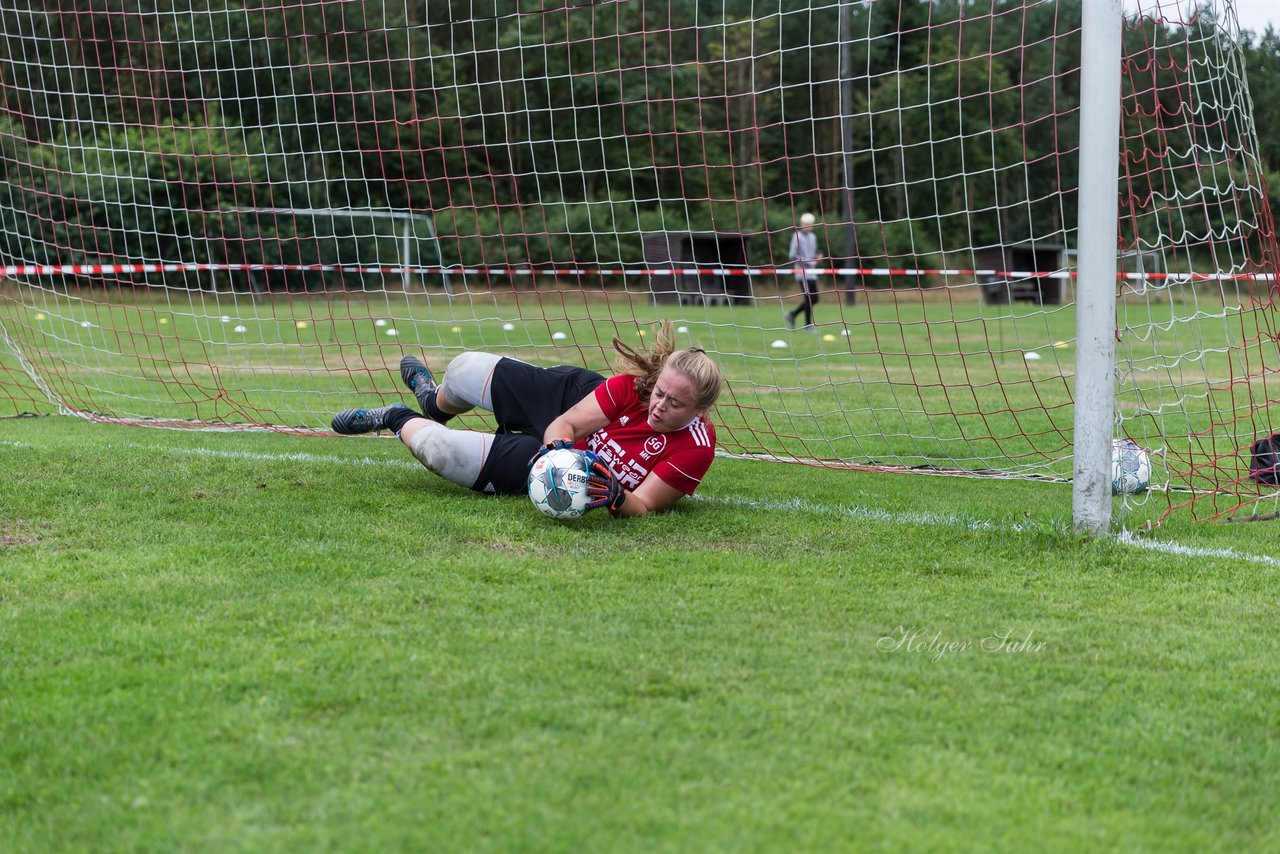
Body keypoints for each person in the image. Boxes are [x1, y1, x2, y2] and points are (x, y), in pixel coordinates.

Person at [329, 324, 722, 517]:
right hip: (567, 405)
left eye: (674, 404)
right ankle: (434, 404)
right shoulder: (631, 388)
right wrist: (558, 451)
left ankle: (396, 416)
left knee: (438, 450)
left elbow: (646, 504)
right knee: (464, 369)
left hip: (551, 466)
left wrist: (615, 495)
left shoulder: (696, 448)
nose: (658, 406)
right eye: (659, 393)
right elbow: (565, 424)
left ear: (698, 412)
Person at [785, 212, 823, 330]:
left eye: (810, 224)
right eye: (806, 224)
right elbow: (792, 255)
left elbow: (811, 255)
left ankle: (792, 314)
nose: (808, 226)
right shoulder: (797, 236)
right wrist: (807, 262)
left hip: (811, 273)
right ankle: (807, 325)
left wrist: (817, 258)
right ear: (802, 224)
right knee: (810, 298)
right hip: (801, 273)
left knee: (814, 298)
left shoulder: (813, 237)